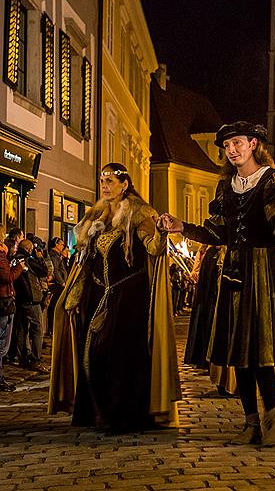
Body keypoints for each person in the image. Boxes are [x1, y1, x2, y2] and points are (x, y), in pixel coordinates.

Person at [160, 121, 275, 446]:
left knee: (260, 347)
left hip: (265, 269)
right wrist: (181, 226)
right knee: (238, 348)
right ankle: (250, 422)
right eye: (227, 146)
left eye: (237, 143)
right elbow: (218, 232)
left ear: (254, 144)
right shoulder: (226, 186)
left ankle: (272, 414)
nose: (232, 150)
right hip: (234, 271)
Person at [48, 163, 181, 433]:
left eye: (110, 180)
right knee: (92, 351)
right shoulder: (96, 214)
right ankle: (97, 412)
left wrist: (162, 231)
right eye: (102, 180)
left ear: (125, 184)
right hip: (98, 293)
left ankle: (123, 415)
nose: (105, 186)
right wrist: (76, 292)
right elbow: (84, 258)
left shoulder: (139, 212)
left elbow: (153, 249)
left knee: (116, 353)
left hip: (129, 295)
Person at [12, 239, 49, 372]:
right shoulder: (29, 260)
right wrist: (40, 257)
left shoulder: (13, 259)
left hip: (19, 299)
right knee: (38, 329)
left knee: (22, 329)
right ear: (29, 249)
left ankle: (22, 358)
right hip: (31, 299)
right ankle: (35, 359)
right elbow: (44, 271)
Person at [0, 223, 23, 392]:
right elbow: (7, 276)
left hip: (5, 300)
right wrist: (19, 267)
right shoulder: (1, 255)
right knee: (2, 344)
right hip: (3, 302)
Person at [47, 237, 68, 335]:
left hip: (59, 284)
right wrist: (61, 282)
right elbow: (55, 270)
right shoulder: (53, 255)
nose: (63, 246)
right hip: (57, 285)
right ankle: (52, 329)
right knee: (55, 306)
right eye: (62, 244)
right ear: (56, 244)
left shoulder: (57, 255)